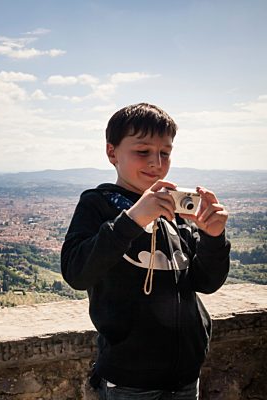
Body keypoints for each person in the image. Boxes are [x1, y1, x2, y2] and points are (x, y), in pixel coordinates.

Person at [61, 103, 230, 399]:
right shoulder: (97, 204)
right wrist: (133, 219)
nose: (156, 163)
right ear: (112, 152)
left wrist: (213, 238)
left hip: (186, 375)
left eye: (165, 153)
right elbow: (77, 272)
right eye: (143, 151)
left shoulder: (174, 212)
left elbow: (206, 282)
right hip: (129, 380)